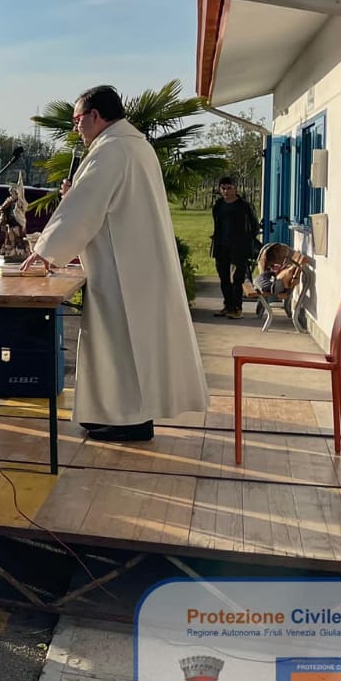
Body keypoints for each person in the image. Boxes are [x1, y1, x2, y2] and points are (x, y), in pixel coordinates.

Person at [20, 84, 208, 442]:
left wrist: (46, 250)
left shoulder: (111, 150)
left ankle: (130, 421)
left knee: (123, 347)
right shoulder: (135, 145)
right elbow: (97, 202)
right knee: (121, 347)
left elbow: (83, 210)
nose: (76, 128)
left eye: (77, 120)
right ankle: (115, 415)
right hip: (133, 261)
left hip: (125, 270)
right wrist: (73, 197)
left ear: (95, 115)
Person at [211, 175, 260, 319]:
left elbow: (254, 226)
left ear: (235, 188)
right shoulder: (218, 205)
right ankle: (228, 305)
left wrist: (246, 239)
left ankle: (237, 308)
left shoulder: (244, 206)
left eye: (229, 188)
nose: (226, 191)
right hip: (222, 245)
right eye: (223, 188)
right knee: (224, 278)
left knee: (238, 279)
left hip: (240, 247)